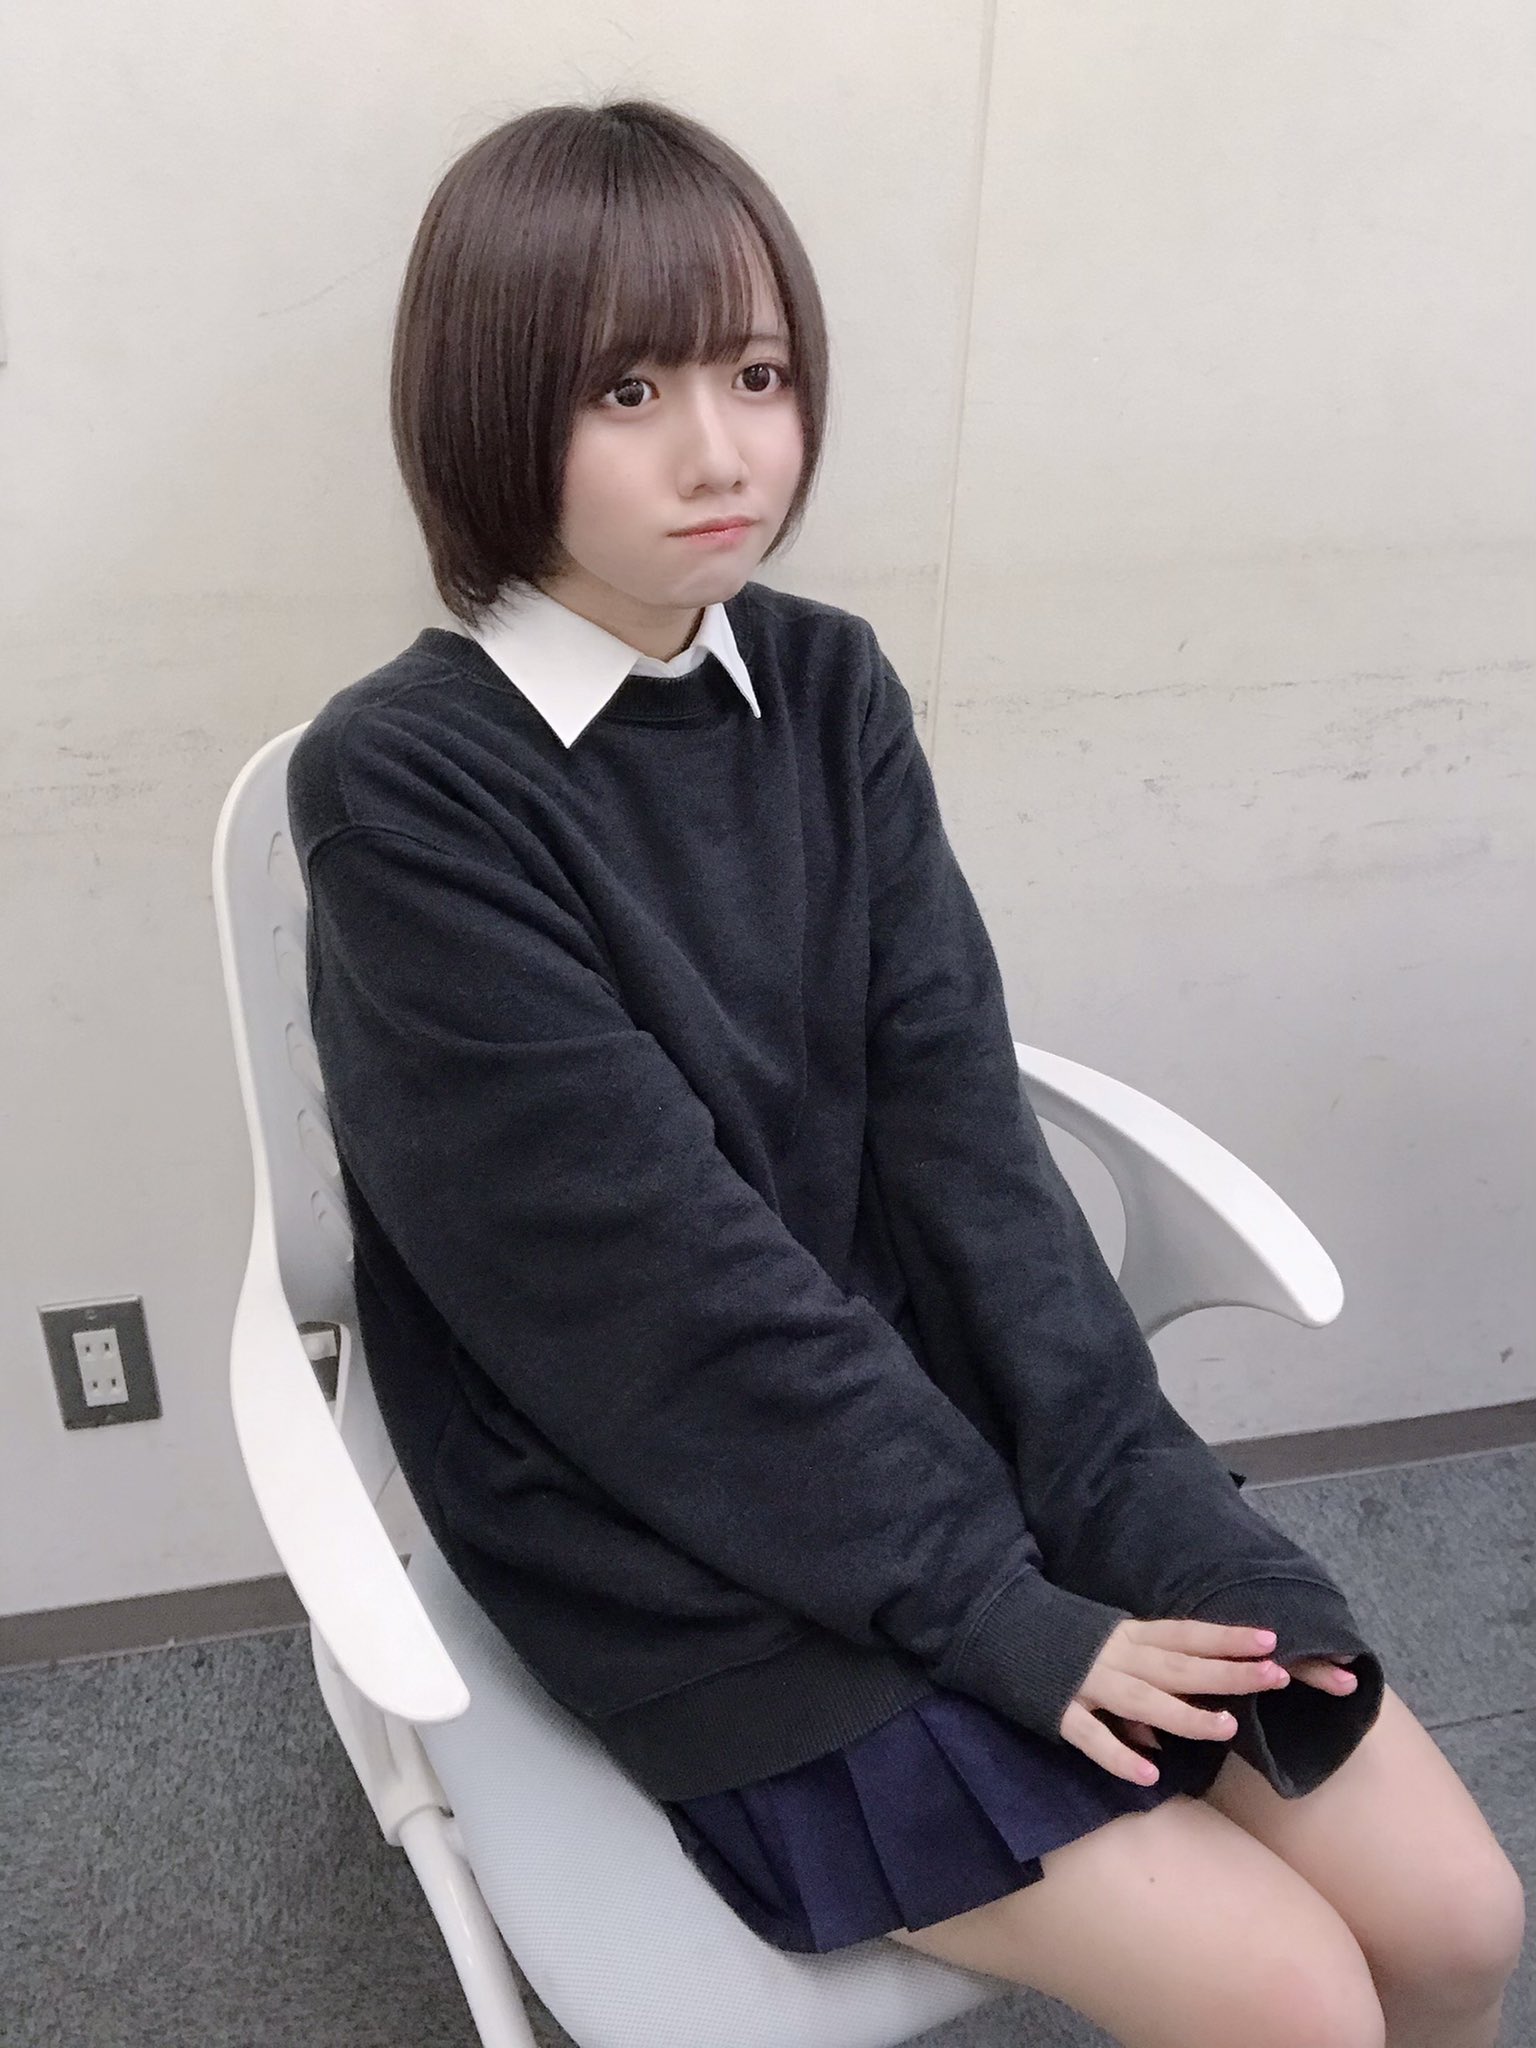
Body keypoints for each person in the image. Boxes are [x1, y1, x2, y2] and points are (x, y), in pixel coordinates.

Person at [286, 95, 1524, 2047]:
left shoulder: (828, 683)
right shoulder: (406, 787)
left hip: (936, 1420)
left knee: (1457, 1920)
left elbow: (967, 1149)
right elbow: (653, 1302)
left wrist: (1118, 1492)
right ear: (490, 404)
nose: (723, 450)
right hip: (664, 1504)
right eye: (629, 389)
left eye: (759, 373)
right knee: (1294, 1996)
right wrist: (1003, 1611)